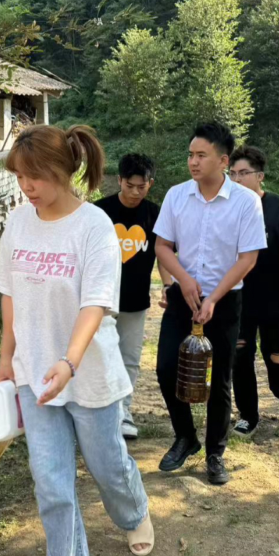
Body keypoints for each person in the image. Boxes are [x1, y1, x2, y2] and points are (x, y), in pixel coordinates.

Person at [0, 124, 154, 556]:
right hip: (34, 376)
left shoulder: (93, 226)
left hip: (89, 374)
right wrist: (7, 359)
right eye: (20, 177)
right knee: (52, 484)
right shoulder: (18, 223)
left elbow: (96, 304)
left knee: (108, 466)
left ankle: (133, 511)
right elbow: (10, 295)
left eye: (35, 176)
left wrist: (69, 363)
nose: (27, 187)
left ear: (63, 171)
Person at [153, 121, 266, 485]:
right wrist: (183, 281)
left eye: (201, 155)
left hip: (226, 299)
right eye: (190, 154)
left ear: (223, 161)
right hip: (182, 296)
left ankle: (215, 453)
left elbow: (248, 258)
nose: (193, 162)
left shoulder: (246, 202)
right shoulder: (176, 196)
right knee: (166, 368)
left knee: (219, 380)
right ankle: (186, 437)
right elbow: (162, 246)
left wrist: (214, 297)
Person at [228, 145, 279, 432]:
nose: (237, 179)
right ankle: (248, 414)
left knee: (276, 353)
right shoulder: (225, 209)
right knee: (240, 355)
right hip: (239, 297)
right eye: (232, 173)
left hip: (275, 296)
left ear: (259, 176)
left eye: (243, 173)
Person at [94, 153, 172, 440]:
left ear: (150, 184)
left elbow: (164, 254)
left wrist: (168, 285)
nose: (136, 192)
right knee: (99, 356)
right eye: (130, 186)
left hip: (136, 301)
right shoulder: (99, 212)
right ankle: (99, 412)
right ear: (119, 180)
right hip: (100, 302)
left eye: (142, 187)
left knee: (129, 358)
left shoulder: (156, 214)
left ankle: (123, 412)